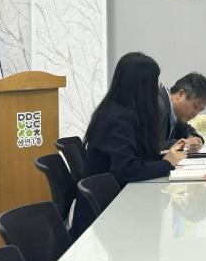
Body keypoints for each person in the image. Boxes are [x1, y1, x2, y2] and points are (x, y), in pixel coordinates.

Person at [72, 52, 187, 237]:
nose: (156, 88)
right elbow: (126, 170)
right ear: (141, 86)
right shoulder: (116, 118)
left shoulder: (127, 113)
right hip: (103, 218)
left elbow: (138, 157)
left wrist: (165, 157)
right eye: (154, 82)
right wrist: (166, 163)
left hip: (119, 206)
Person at [159, 72, 206, 152]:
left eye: (200, 110)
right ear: (180, 94)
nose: (195, 114)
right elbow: (146, 147)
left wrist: (195, 139)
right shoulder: (155, 105)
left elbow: (187, 130)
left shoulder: (176, 114)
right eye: (195, 106)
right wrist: (184, 145)